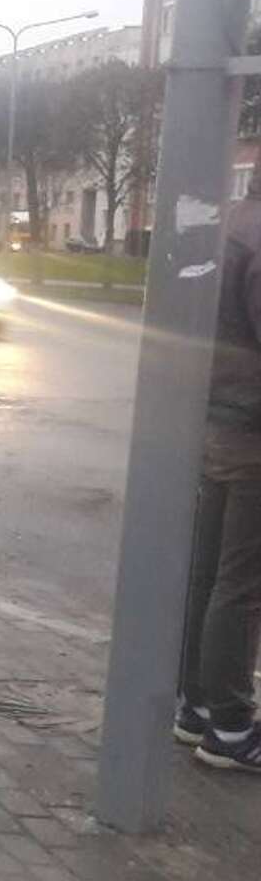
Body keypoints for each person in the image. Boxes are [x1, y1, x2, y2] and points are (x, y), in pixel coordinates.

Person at [180, 174, 261, 771]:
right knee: (242, 583)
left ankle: (195, 707)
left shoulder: (227, 224)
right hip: (254, 431)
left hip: (216, 422)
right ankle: (232, 729)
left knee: (209, 575)